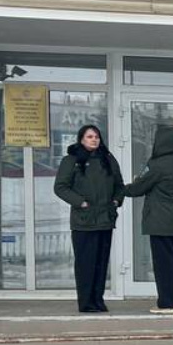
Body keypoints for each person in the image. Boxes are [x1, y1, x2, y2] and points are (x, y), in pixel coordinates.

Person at [53, 124, 124, 313]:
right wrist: (81, 202)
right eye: (90, 137)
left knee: (101, 263)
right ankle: (86, 303)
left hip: (105, 219)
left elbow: (119, 185)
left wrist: (116, 201)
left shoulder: (107, 159)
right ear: (81, 139)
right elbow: (60, 187)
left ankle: (98, 300)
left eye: (97, 137)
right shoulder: (72, 160)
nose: (94, 140)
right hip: (83, 221)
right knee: (86, 264)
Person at [123, 126, 173, 314]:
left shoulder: (157, 164)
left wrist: (123, 188)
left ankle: (167, 302)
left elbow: (137, 188)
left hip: (159, 220)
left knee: (163, 263)